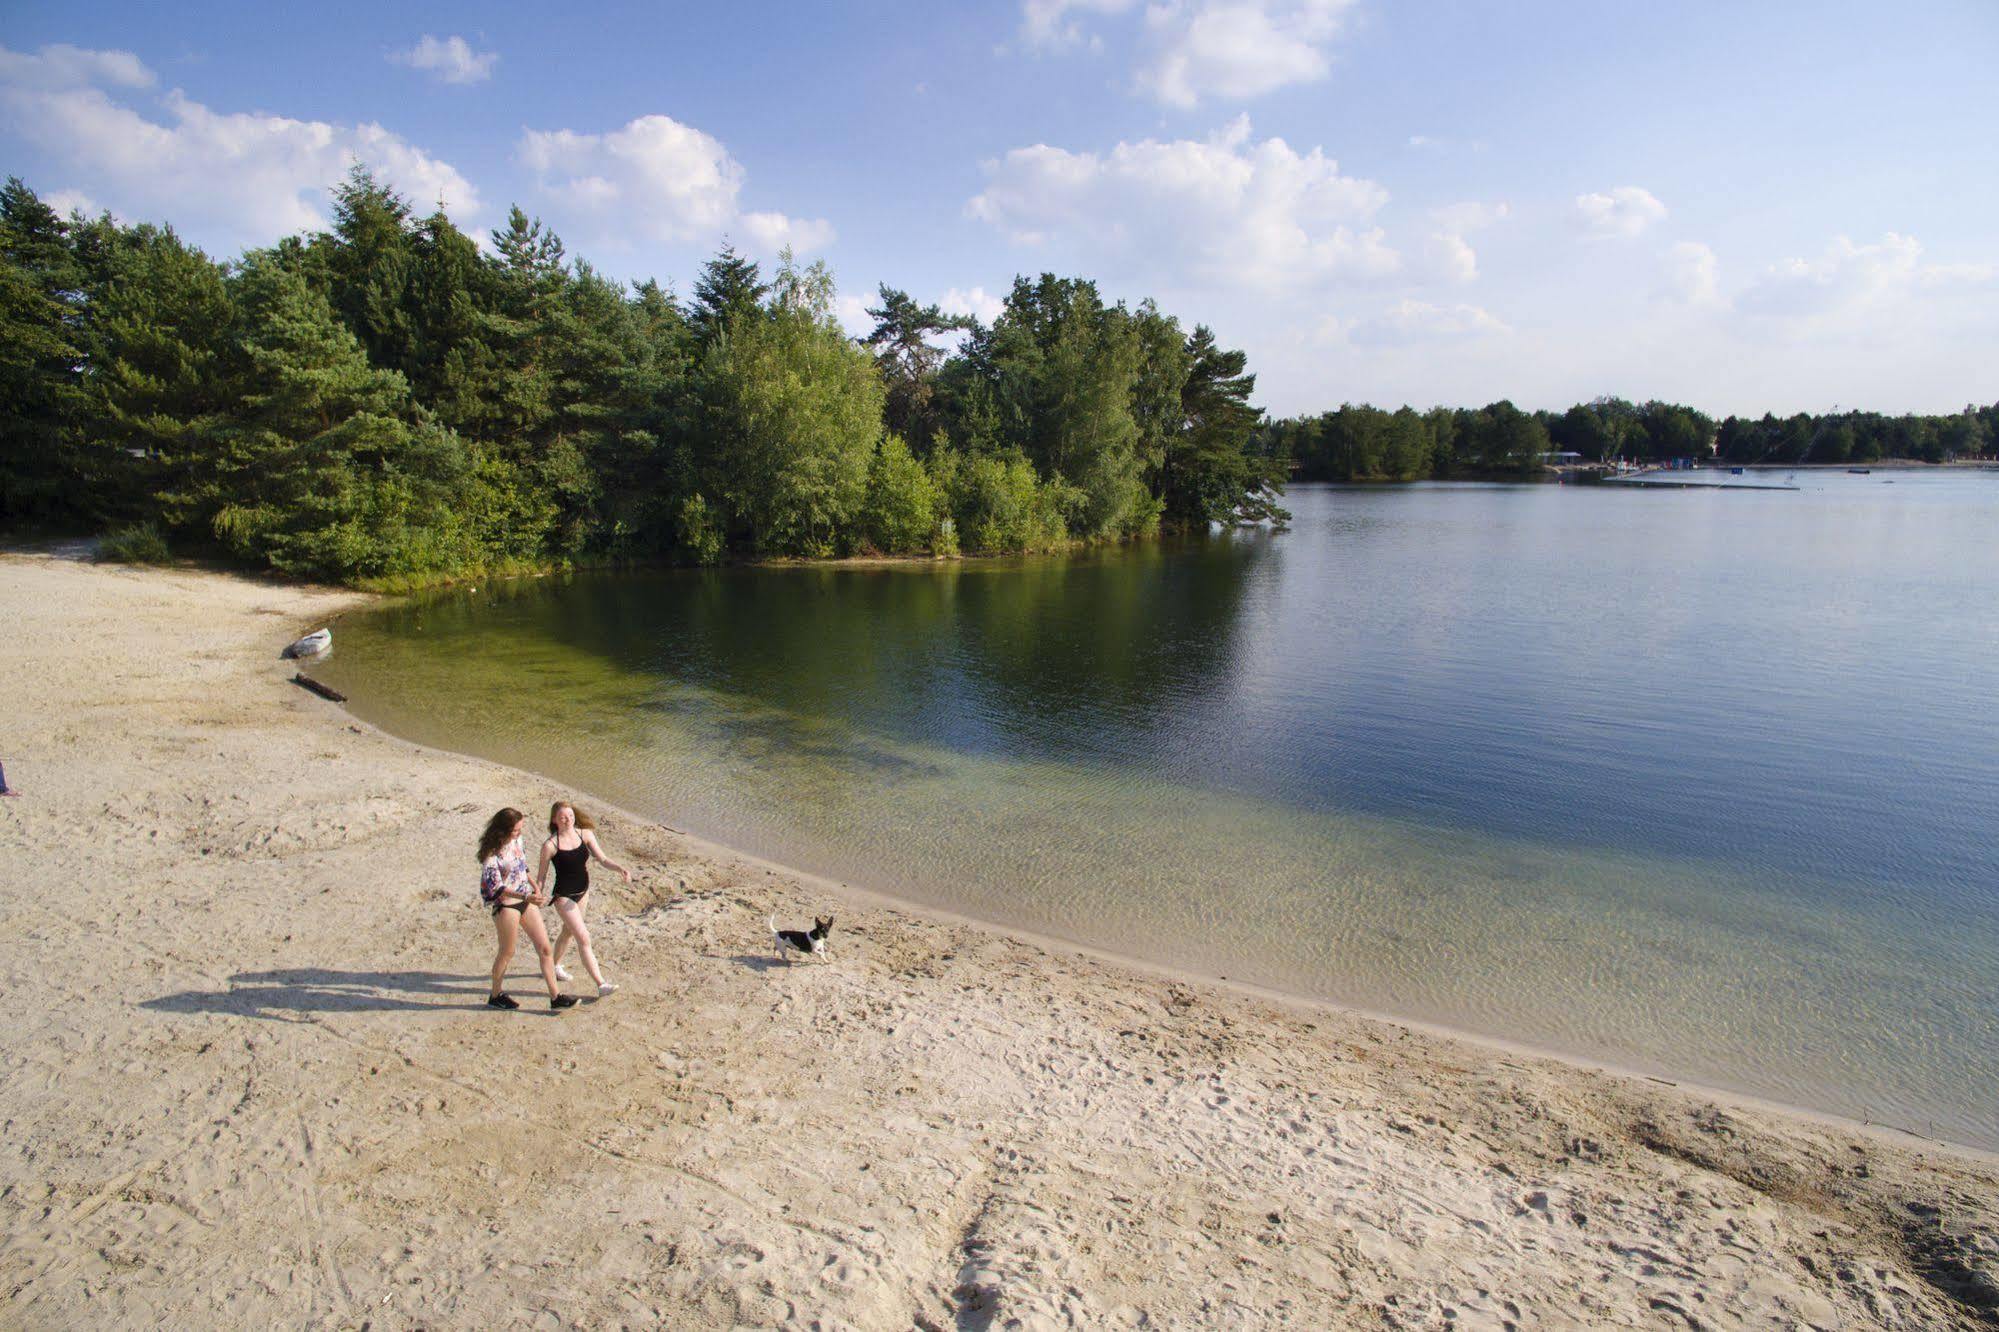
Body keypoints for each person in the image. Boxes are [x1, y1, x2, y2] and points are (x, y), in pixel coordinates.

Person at [478, 807, 575, 1012]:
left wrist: (535, 885)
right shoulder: (491, 854)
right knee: (507, 952)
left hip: (526, 899)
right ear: (502, 831)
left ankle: (555, 997)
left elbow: (522, 865)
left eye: (520, 829)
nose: (519, 833)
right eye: (515, 830)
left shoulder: (517, 841)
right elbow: (496, 887)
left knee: (545, 948)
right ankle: (495, 995)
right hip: (507, 905)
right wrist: (525, 896)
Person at [537, 801, 631, 998]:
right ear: (555, 819)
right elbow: (542, 876)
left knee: (568, 932)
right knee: (583, 937)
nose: (567, 820)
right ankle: (601, 984)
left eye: (570, 816)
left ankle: (554, 965)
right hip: (564, 896)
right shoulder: (550, 845)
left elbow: (602, 859)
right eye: (563, 817)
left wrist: (619, 868)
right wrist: (538, 893)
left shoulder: (584, 834)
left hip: (583, 891)